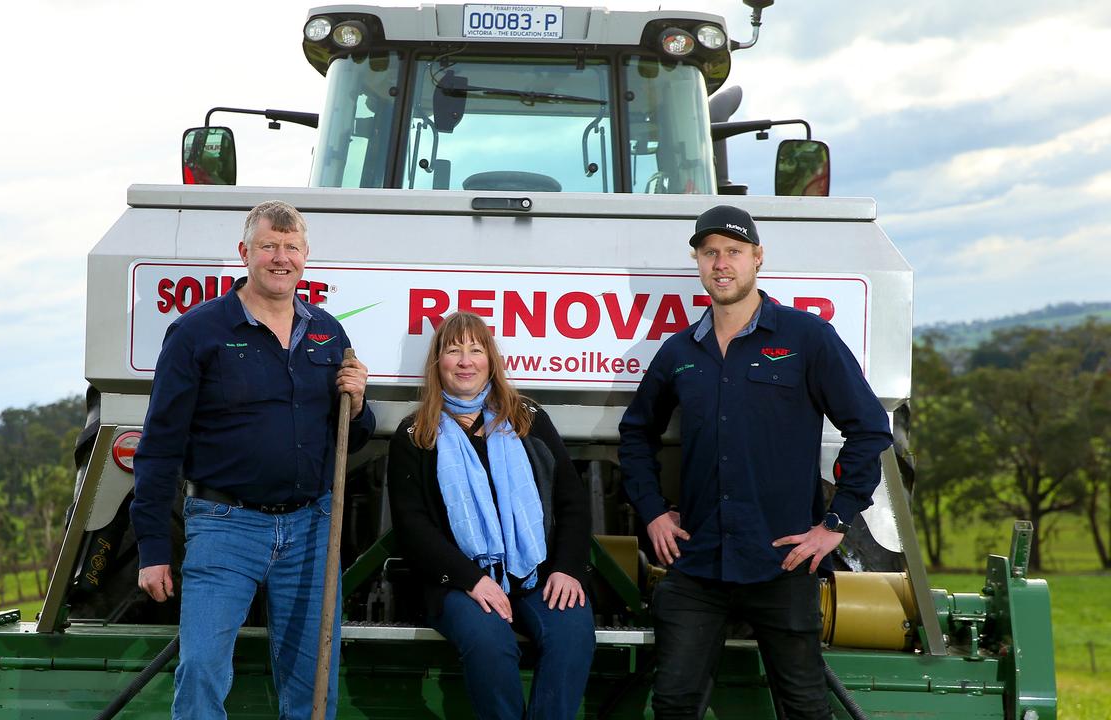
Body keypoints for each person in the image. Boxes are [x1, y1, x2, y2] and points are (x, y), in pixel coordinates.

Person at [618, 205, 893, 719]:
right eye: (711, 253)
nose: (722, 263)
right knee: (674, 704)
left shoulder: (806, 338)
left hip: (783, 563)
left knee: (805, 706)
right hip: (697, 565)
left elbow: (870, 429)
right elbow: (636, 434)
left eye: (734, 252)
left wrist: (836, 523)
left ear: (757, 258)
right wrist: (653, 510)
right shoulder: (679, 351)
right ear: (698, 262)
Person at [130, 200, 375, 720]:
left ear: (306, 256)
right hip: (225, 527)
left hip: (311, 526)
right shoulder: (197, 332)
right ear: (245, 253)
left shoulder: (329, 333)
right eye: (268, 246)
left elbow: (352, 433)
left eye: (290, 247)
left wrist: (359, 399)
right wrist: (153, 547)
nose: (279, 258)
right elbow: (160, 444)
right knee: (200, 669)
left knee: (312, 684)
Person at [387, 311, 595, 720]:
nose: (465, 361)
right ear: (437, 363)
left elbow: (572, 500)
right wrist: (472, 579)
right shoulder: (416, 434)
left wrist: (568, 568)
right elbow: (413, 529)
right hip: (459, 584)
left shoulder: (528, 419)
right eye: (453, 350)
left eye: (476, 350)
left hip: (536, 572)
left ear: (491, 360)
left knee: (572, 634)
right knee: (490, 643)